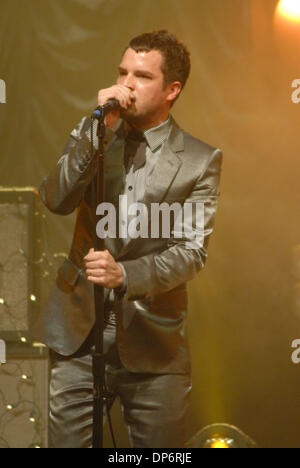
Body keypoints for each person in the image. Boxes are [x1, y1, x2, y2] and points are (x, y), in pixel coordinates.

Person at [32, 30, 223, 448]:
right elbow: (55, 198)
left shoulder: (199, 160)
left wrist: (126, 274)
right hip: (79, 329)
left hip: (155, 341)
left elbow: (191, 252)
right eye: (122, 72)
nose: (126, 84)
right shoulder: (95, 132)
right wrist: (95, 134)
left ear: (172, 89)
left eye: (141, 75)